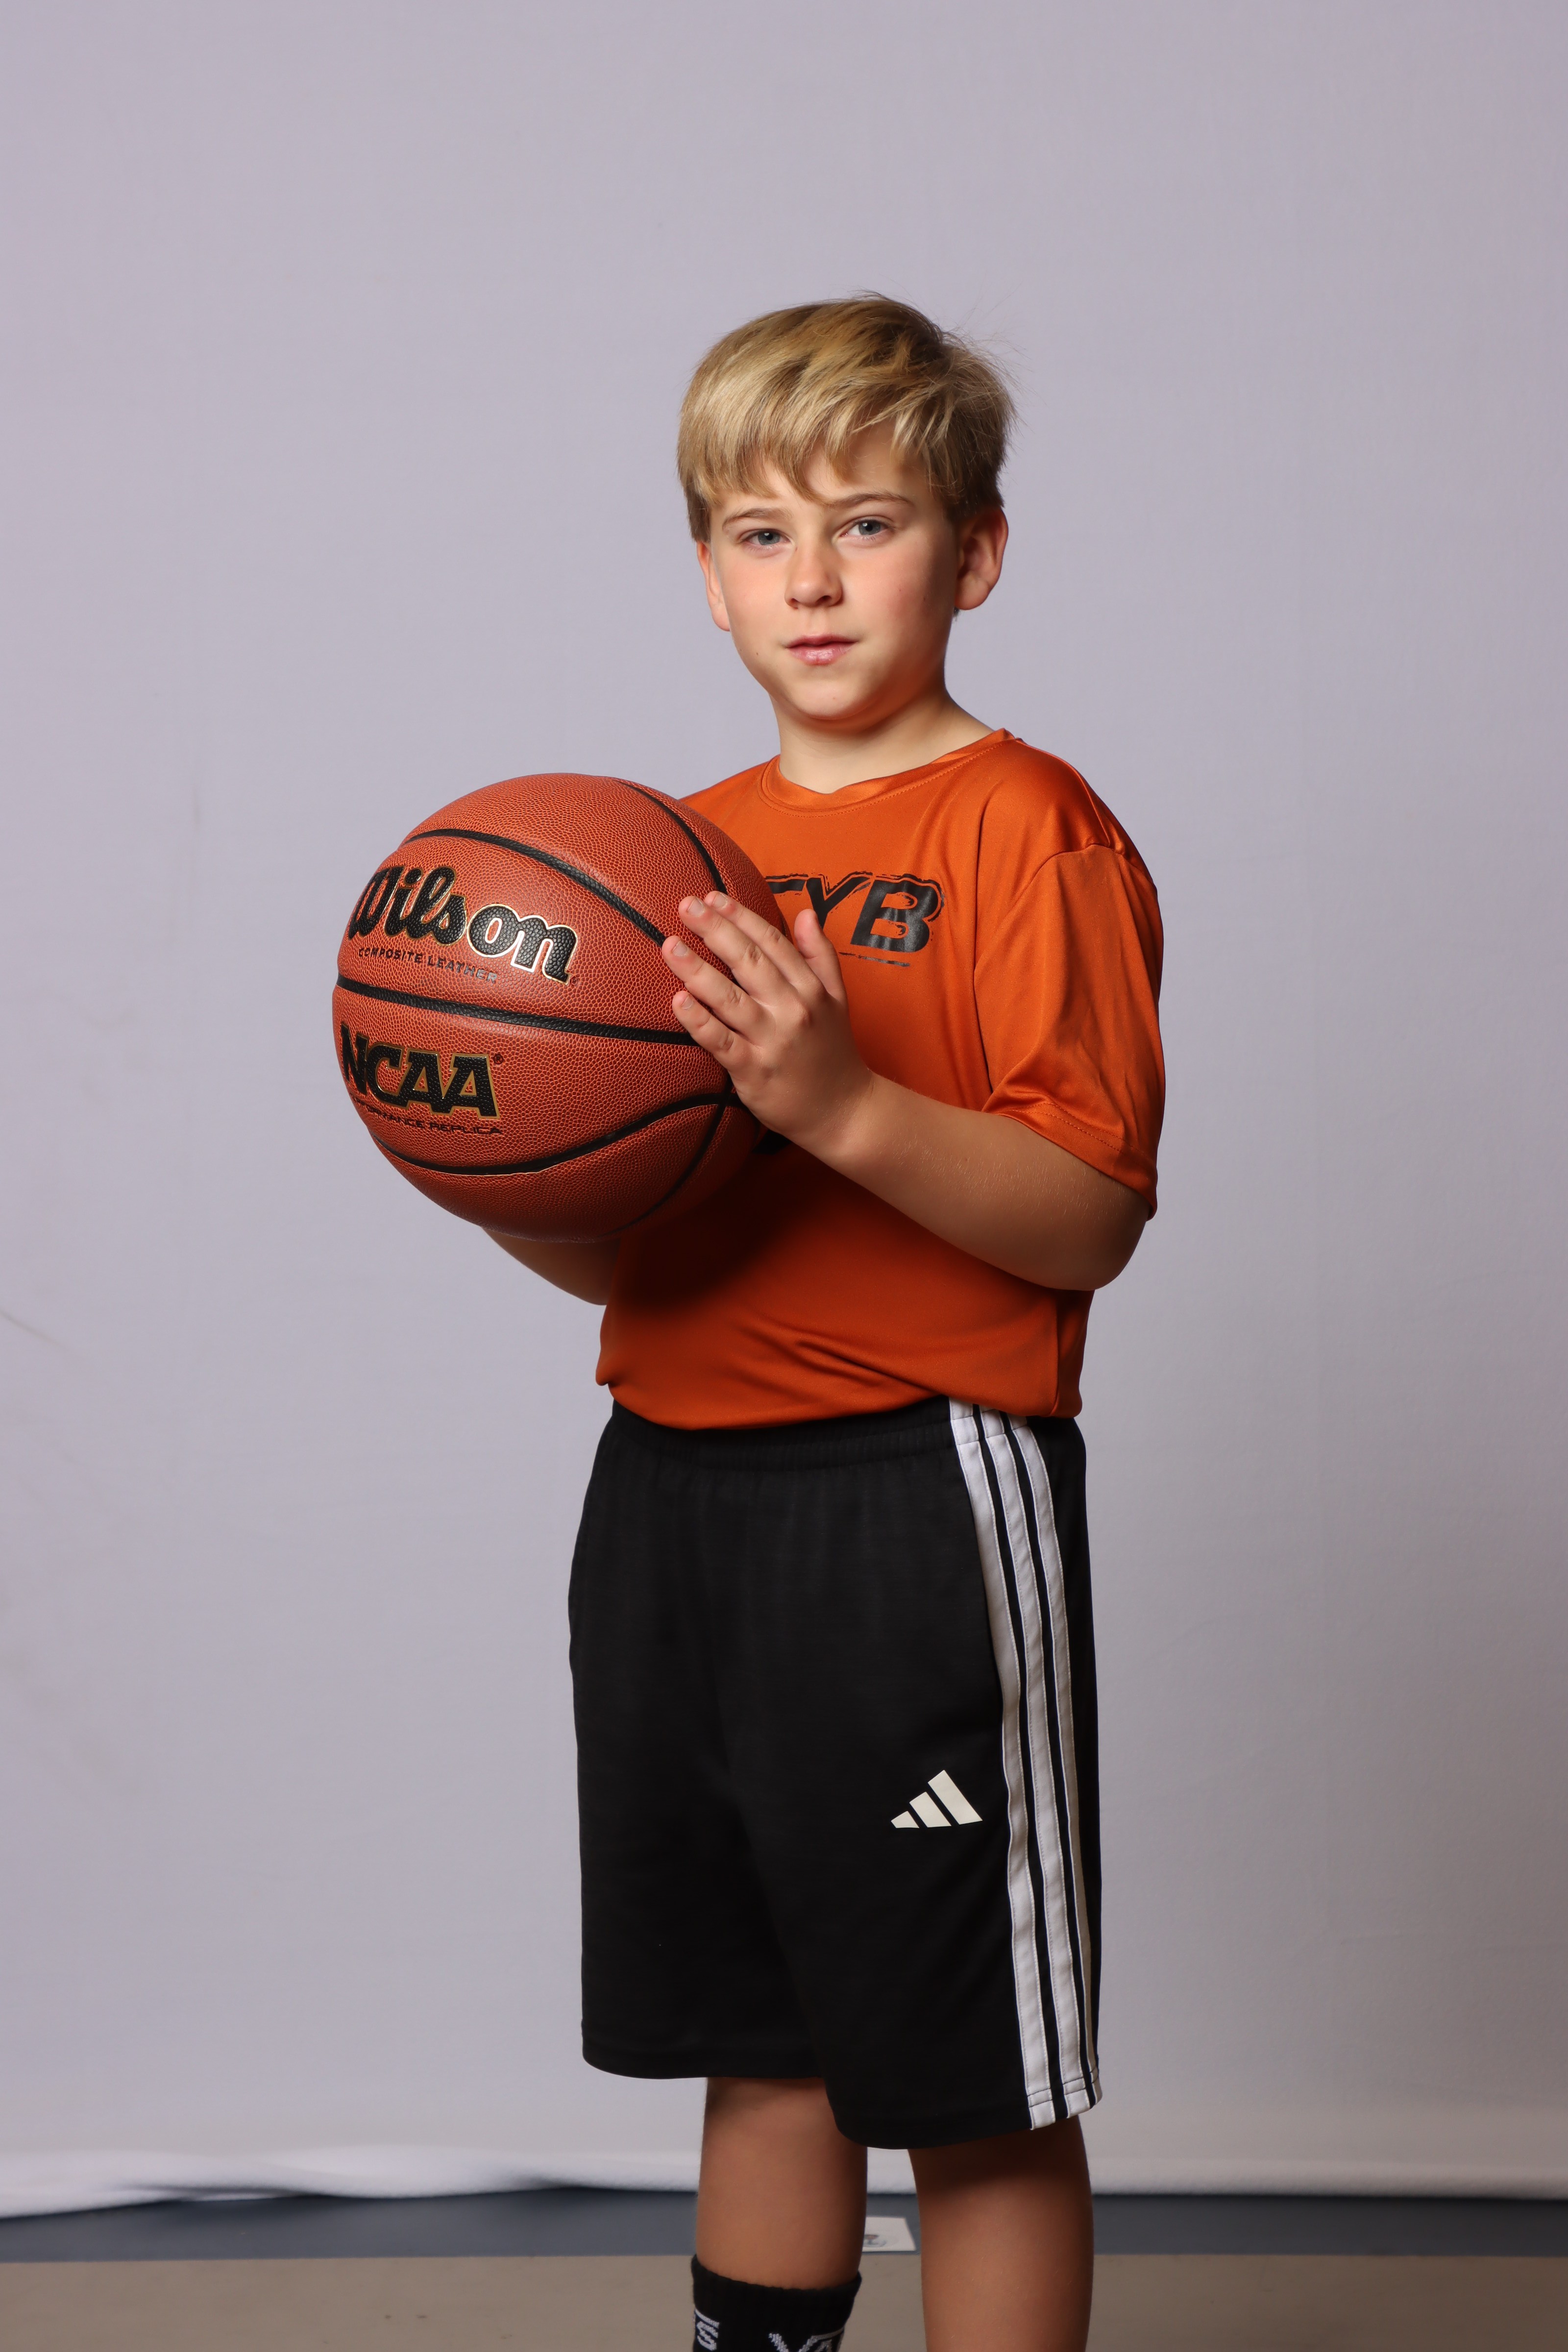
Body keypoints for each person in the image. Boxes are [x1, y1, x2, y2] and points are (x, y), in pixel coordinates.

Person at [491, 296, 1164, 2352]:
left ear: (974, 553)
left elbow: (1087, 1216)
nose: (811, 579)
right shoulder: (667, 866)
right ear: (705, 574)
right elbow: (643, 1254)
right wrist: (505, 1173)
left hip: (914, 1501)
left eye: (866, 526)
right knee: (762, 2040)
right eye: (759, 533)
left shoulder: (1023, 826)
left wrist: (840, 1103)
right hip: (670, 1494)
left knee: (963, 2077)